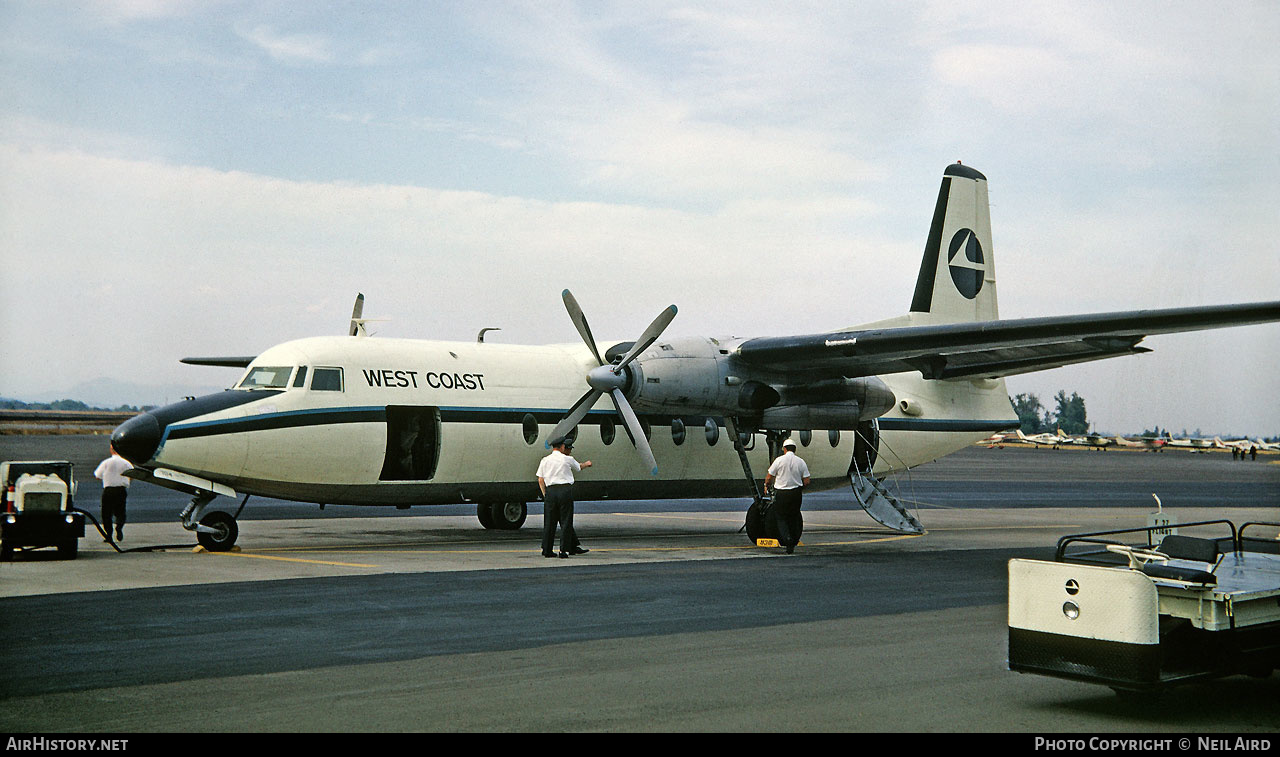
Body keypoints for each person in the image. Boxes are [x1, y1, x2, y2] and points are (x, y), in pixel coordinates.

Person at [536, 436, 592, 558]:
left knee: (549, 522)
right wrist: (587, 464)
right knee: (566, 521)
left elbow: (540, 480)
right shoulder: (567, 459)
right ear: (562, 446)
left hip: (550, 491)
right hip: (564, 491)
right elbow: (579, 467)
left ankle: (547, 550)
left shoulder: (545, 460)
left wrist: (546, 494)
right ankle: (564, 550)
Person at [763, 438, 810, 554]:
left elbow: (769, 477)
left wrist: (766, 486)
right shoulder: (800, 461)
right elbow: (807, 480)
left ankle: (787, 539)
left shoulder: (779, 460)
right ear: (794, 449)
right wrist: (799, 488)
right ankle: (794, 540)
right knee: (794, 517)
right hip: (796, 493)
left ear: (784, 449)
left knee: (781, 518)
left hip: (782, 494)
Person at [94, 444, 134, 542]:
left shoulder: (106, 462)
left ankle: (108, 534)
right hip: (121, 490)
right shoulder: (126, 463)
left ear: (112, 450)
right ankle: (119, 527)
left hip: (108, 490)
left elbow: (97, 476)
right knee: (120, 512)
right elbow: (133, 474)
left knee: (106, 514)